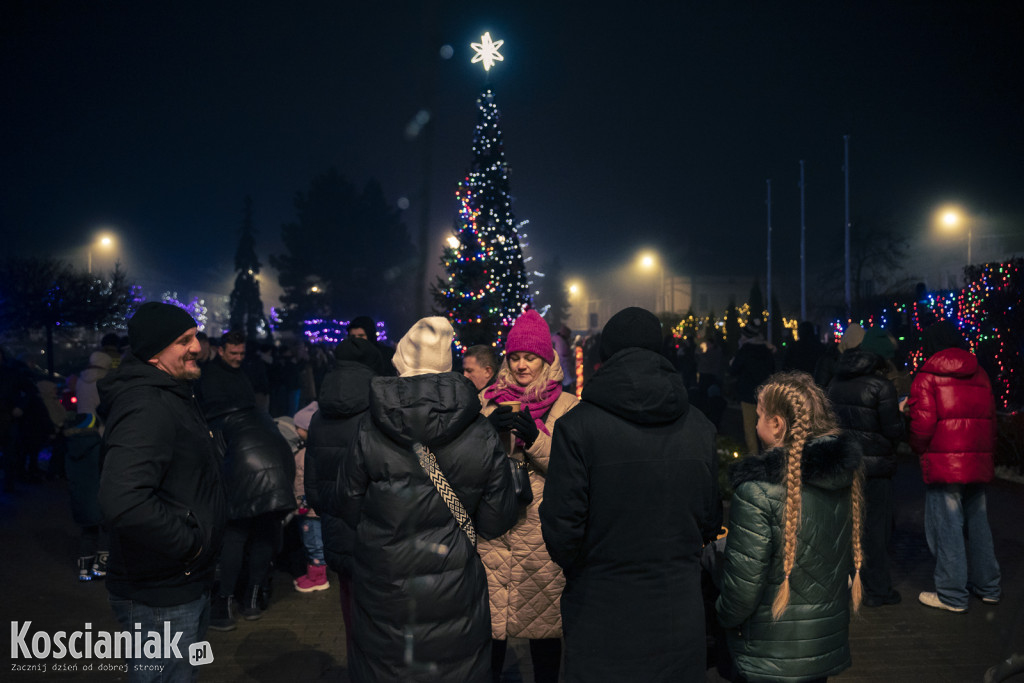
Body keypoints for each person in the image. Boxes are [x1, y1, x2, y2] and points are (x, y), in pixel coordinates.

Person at [540, 307, 721, 683]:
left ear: (605, 355)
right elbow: (710, 520)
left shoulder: (577, 427)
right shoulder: (700, 427)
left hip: (600, 612)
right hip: (677, 612)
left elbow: (561, 531)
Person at [340, 316, 518, 682]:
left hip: (384, 584)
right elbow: (496, 520)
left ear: (402, 360)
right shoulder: (480, 430)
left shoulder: (370, 426)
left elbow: (347, 503)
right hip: (454, 587)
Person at [97, 302, 227, 681]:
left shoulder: (174, 393)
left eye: (195, 337)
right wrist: (190, 545)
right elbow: (124, 499)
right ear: (154, 352)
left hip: (180, 582)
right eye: (183, 341)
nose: (196, 347)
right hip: (161, 590)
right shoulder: (147, 405)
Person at [716, 371, 863, 683]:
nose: (756, 424)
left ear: (777, 424)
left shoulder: (756, 493)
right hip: (822, 643)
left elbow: (742, 591)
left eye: (759, 416)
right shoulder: (841, 478)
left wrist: (721, 616)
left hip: (769, 652)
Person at [478, 309, 579, 683]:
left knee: (545, 633)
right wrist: (486, 432)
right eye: (515, 357)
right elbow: (466, 463)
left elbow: (573, 469)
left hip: (540, 534)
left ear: (546, 360)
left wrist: (536, 441)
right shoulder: (487, 400)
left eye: (530, 358)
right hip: (494, 531)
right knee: (490, 632)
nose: (521, 365)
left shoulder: (567, 405)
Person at [196, 330, 295, 631]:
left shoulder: (219, 384)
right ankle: (251, 598)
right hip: (270, 461)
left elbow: (215, 442)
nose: (238, 358)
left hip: (243, 462)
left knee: (237, 534)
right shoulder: (215, 378)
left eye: (241, 353)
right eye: (233, 353)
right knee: (261, 532)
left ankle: (226, 602)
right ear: (221, 350)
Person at [908, 320, 1000, 612]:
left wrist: (918, 448)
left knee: (947, 527)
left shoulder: (927, 376)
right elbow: (991, 419)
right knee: (979, 523)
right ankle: (988, 586)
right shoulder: (980, 373)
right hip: (976, 460)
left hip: (944, 463)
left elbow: (922, 426)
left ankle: (951, 594)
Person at [305, 336, 387, 659]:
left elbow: (312, 483)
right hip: (375, 529)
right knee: (380, 617)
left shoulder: (318, 415)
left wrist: (330, 510)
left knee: (350, 606)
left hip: (336, 526)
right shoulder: (379, 411)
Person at [826, 333, 904, 607]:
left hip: (845, 464)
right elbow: (894, 431)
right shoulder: (882, 387)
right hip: (875, 469)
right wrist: (900, 414)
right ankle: (878, 589)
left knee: (847, 526)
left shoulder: (835, 382)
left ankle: (847, 581)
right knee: (875, 531)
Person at [730, 318, 776, 456]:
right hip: (765, 394)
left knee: (749, 428)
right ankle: (770, 455)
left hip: (748, 394)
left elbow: (734, 370)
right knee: (766, 427)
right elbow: (772, 369)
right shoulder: (766, 350)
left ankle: (754, 457)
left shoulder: (745, 350)